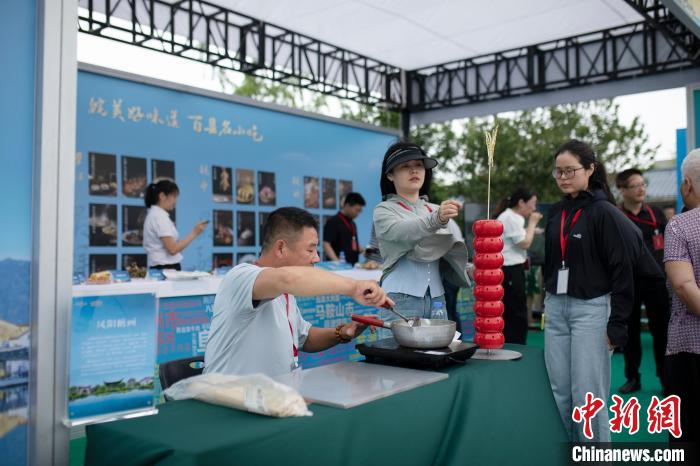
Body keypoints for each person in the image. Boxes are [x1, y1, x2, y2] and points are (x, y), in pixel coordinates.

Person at [204, 207, 393, 377]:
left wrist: (343, 332)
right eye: (310, 250)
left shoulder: (285, 293)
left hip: (273, 399)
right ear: (280, 248)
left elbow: (306, 338)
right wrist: (353, 287)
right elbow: (288, 278)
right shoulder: (242, 277)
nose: (316, 258)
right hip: (228, 399)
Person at [543, 139, 647, 442]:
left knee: (587, 397)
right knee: (558, 392)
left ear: (590, 169)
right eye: (558, 172)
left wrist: (617, 324)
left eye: (570, 171)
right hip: (556, 307)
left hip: (591, 311)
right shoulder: (557, 212)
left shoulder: (603, 211)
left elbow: (623, 269)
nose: (563, 177)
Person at [373, 141, 469, 327]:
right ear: (390, 175)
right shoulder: (383, 210)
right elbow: (403, 231)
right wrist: (436, 220)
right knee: (398, 356)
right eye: (405, 166)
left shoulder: (436, 210)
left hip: (438, 298)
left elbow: (455, 249)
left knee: (438, 353)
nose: (414, 170)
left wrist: (472, 269)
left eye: (418, 165)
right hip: (399, 299)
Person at [615, 168, 670, 394]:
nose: (641, 189)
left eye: (643, 184)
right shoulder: (616, 216)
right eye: (635, 185)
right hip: (629, 282)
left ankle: (666, 376)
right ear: (622, 190)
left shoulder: (656, 214)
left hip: (657, 281)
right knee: (631, 332)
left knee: (662, 332)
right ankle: (632, 377)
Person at [664, 149, 700, 445]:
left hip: (690, 345)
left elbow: (684, 285)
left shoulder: (680, 225)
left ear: (686, 184)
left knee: (686, 431)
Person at [494, 187, 543, 345]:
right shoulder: (512, 218)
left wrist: (532, 228)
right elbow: (525, 243)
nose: (534, 208)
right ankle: (515, 346)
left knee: (513, 310)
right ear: (521, 202)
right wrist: (533, 223)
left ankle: (512, 344)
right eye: (532, 203)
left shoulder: (511, 217)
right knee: (516, 312)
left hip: (510, 270)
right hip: (509, 270)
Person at [143, 180, 208, 270]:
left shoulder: (156, 215)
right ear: (162, 196)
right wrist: (194, 233)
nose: (175, 200)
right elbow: (173, 249)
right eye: (174, 196)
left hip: (163, 267)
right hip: (165, 269)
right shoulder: (159, 217)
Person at [323, 192, 366, 264]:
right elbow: (326, 244)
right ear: (347, 205)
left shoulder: (353, 224)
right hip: (338, 268)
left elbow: (349, 243)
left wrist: (360, 249)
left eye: (360, 211)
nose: (358, 214)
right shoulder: (333, 221)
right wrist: (337, 263)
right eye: (357, 210)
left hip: (352, 267)